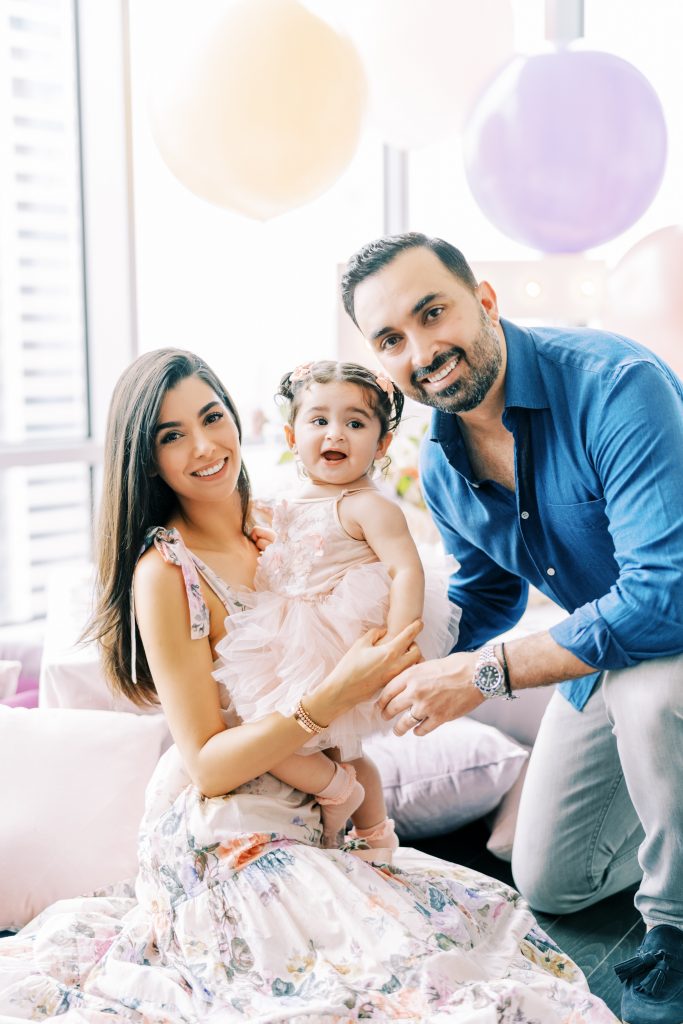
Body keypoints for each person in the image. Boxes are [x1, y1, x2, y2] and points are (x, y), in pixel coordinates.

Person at [0, 348, 619, 1022]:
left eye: (212, 417)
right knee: (369, 991)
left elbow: (400, 572)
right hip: (231, 822)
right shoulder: (166, 571)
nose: (204, 446)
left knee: (471, 942)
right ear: (146, 458)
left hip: (322, 811)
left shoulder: (280, 522)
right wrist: (331, 696)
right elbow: (207, 764)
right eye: (172, 435)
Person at [341, 231, 683, 1024]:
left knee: (651, 698)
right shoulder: (442, 462)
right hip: (610, 647)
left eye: (433, 314)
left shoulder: (614, 385)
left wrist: (482, 675)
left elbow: (663, 598)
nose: (422, 351)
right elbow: (487, 593)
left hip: (671, 627)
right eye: (391, 339)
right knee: (552, 882)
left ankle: (673, 929)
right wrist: (397, 662)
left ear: (484, 301)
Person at [213, 359, 460, 859]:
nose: (336, 434)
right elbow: (300, 554)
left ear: (382, 444)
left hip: (335, 641)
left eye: (355, 423)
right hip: (286, 634)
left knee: (283, 736)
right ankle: (350, 806)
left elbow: (406, 570)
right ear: (292, 437)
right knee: (289, 739)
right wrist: (272, 546)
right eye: (319, 420)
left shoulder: (367, 504)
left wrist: (396, 646)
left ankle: (366, 828)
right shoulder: (291, 500)